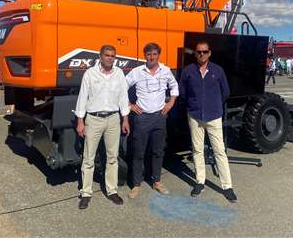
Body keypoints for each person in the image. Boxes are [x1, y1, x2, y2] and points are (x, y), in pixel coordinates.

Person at [179, 41, 237, 203]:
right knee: (197, 150)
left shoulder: (217, 71)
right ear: (195, 54)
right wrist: (192, 106)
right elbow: (183, 92)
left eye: (205, 52)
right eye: (199, 52)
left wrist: (214, 105)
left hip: (213, 116)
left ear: (209, 53)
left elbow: (225, 92)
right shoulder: (188, 71)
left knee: (219, 151)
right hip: (195, 116)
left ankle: (227, 186)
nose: (202, 54)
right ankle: (200, 182)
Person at [75, 45, 131, 209]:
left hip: (113, 119)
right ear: (100, 56)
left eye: (113, 56)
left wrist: (125, 119)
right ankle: (86, 193)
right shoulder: (90, 74)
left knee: (112, 157)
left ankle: (112, 190)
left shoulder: (119, 73)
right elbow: (82, 97)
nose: (110, 58)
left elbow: (123, 97)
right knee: (88, 158)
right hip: (93, 119)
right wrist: (80, 121)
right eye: (107, 55)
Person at [125, 43, 179, 198]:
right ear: (145, 55)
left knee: (158, 151)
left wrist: (171, 103)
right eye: (149, 54)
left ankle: (156, 181)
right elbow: (121, 86)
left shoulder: (165, 70)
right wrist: (130, 105)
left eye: (154, 54)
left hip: (160, 117)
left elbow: (174, 86)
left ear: (158, 55)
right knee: (138, 152)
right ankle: (136, 185)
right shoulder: (137, 72)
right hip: (142, 118)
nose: (151, 57)